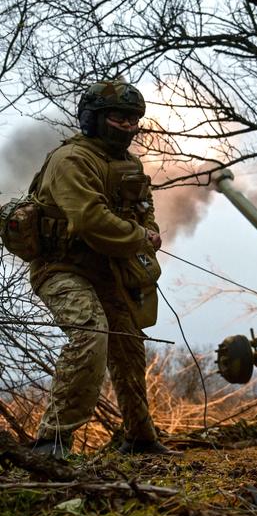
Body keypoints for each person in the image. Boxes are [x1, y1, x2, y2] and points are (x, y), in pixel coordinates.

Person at [30, 80, 175, 458]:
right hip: (61, 267)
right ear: (93, 119)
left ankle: (140, 439)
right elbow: (91, 219)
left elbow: (145, 210)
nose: (127, 126)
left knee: (129, 345)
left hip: (110, 269)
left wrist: (150, 232)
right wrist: (142, 237)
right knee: (90, 334)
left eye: (132, 119)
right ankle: (51, 443)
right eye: (117, 117)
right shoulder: (71, 160)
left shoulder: (130, 164)